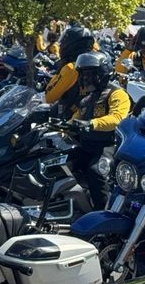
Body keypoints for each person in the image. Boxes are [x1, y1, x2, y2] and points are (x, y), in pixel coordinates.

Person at [69, 51, 131, 209]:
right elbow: (75, 119)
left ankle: (102, 213)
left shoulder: (117, 94)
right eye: (83, 74)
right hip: (86, 144)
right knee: (62, 163)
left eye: (90, 74)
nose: (85, 78)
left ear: (103, 72)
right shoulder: (87, 99)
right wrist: (59, 126)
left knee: (96, 172)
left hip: (109, 145)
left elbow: (117, 118)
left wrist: (91, 124)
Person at [45, 26, 96, 119]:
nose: (61, 44)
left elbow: (49, 97)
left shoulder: (71, 68)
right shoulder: (95, 63)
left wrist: (57, 73)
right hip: (89, 114)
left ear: (71, 44)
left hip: (70, 119)